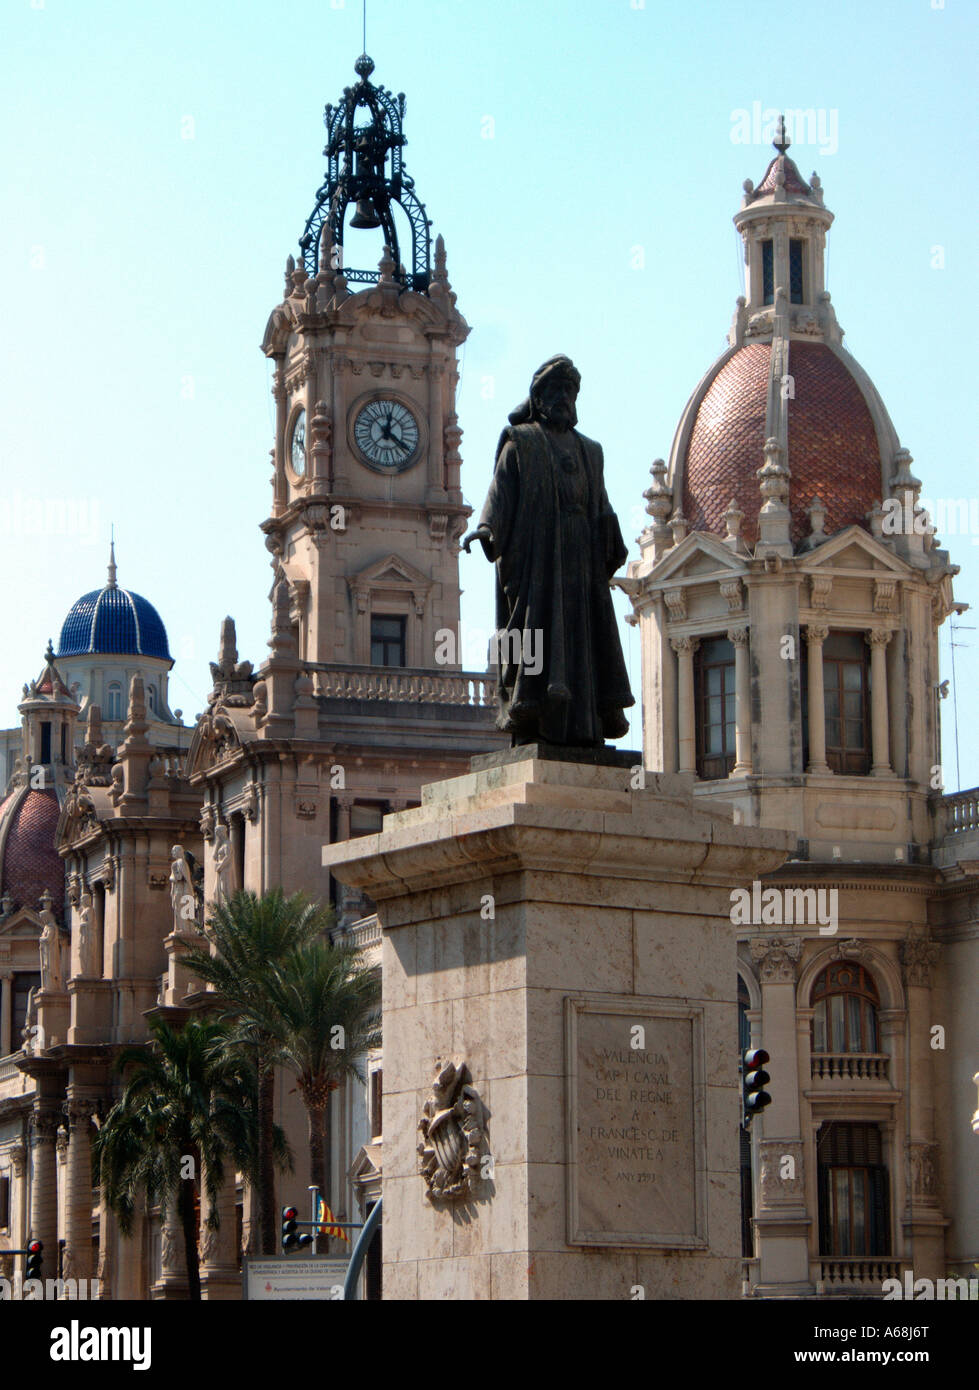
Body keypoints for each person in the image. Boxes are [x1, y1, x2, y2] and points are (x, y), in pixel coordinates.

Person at [462, 354, 634, 746]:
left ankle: (583, 727)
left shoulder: (591, 451)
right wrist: (486, 530)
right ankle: (534, 718)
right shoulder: (520, 442)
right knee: (539, 638)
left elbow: (601, 503)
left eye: (569, 391)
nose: (563, 398)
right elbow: (500, 494)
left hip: (581, 558)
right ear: (538, 399)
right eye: (555, 391)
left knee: (581, 641)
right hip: (538, 561)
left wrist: (612, 534)